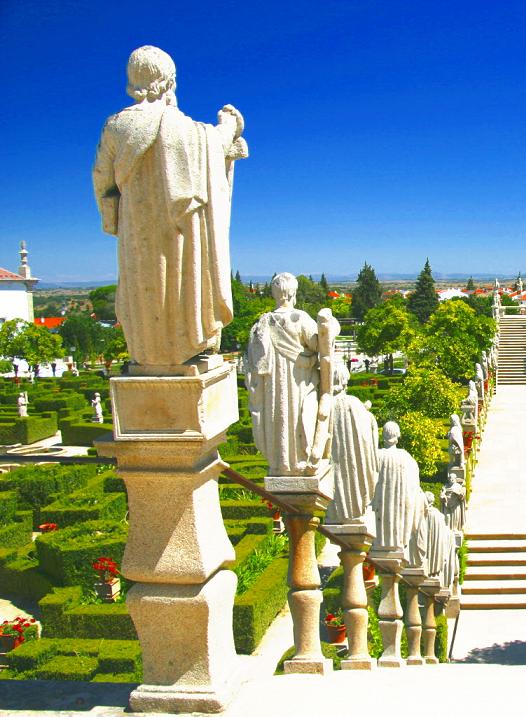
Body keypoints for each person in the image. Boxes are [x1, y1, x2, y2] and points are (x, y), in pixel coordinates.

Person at [92, 46, 247, 367]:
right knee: (182, 283)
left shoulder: (116, 127)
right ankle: (191, 341)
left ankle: (148, 350)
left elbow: (102, 182)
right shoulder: (186, 130)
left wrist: (115, 220)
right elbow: (215, 146)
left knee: (145, 290)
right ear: (169, 82)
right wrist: (229, 124)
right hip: (181, 235)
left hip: (137, 234)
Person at [246, 273, 320, 475]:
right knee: (296, 418)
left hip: (272, 387)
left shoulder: (261, 324)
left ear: (274, 293)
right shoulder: (300, 319)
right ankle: (298, 462)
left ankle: (279, 463)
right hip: (298, 383)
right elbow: (319, 343)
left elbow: (253, 363)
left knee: (277, 418)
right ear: (293, 293)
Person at [324, 360, 379, 525]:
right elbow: (368, 438)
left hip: (332, 462)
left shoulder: (324, 405)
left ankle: (336, 513)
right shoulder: (355, 404)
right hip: (354, 462)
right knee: (353, 478)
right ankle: (354, 509)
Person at [372, 421, 423, 554]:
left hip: (379, 512)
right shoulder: (407, 458)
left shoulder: (376, 456)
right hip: (399, 521)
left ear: (383, 435)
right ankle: (398, 540)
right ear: (398, 436)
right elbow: (414, 490)